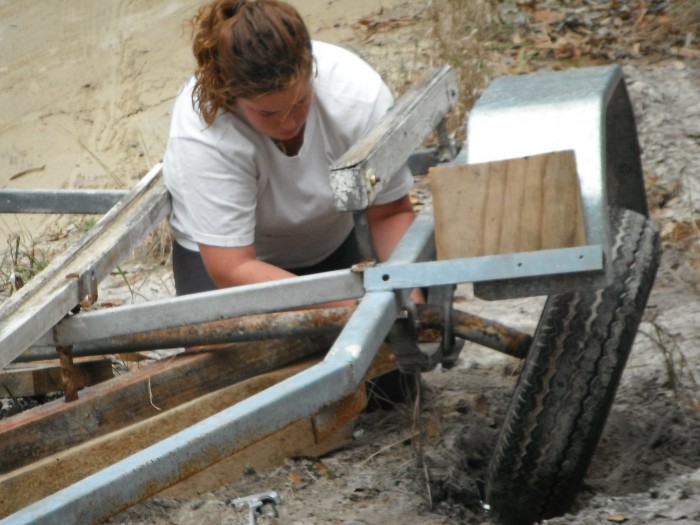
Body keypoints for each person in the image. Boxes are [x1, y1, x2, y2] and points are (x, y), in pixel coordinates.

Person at [163, 0, 417, 303]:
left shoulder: (358, 96)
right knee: (224, 348)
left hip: (328, 242)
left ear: (311, 68)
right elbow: (232, 265)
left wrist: (408, 300)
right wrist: (351, 310)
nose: (289, 123)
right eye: (268, 114)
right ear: (230, 95)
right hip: (225, 261)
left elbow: (390, 212)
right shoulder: (203, 131)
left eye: (300, 102)